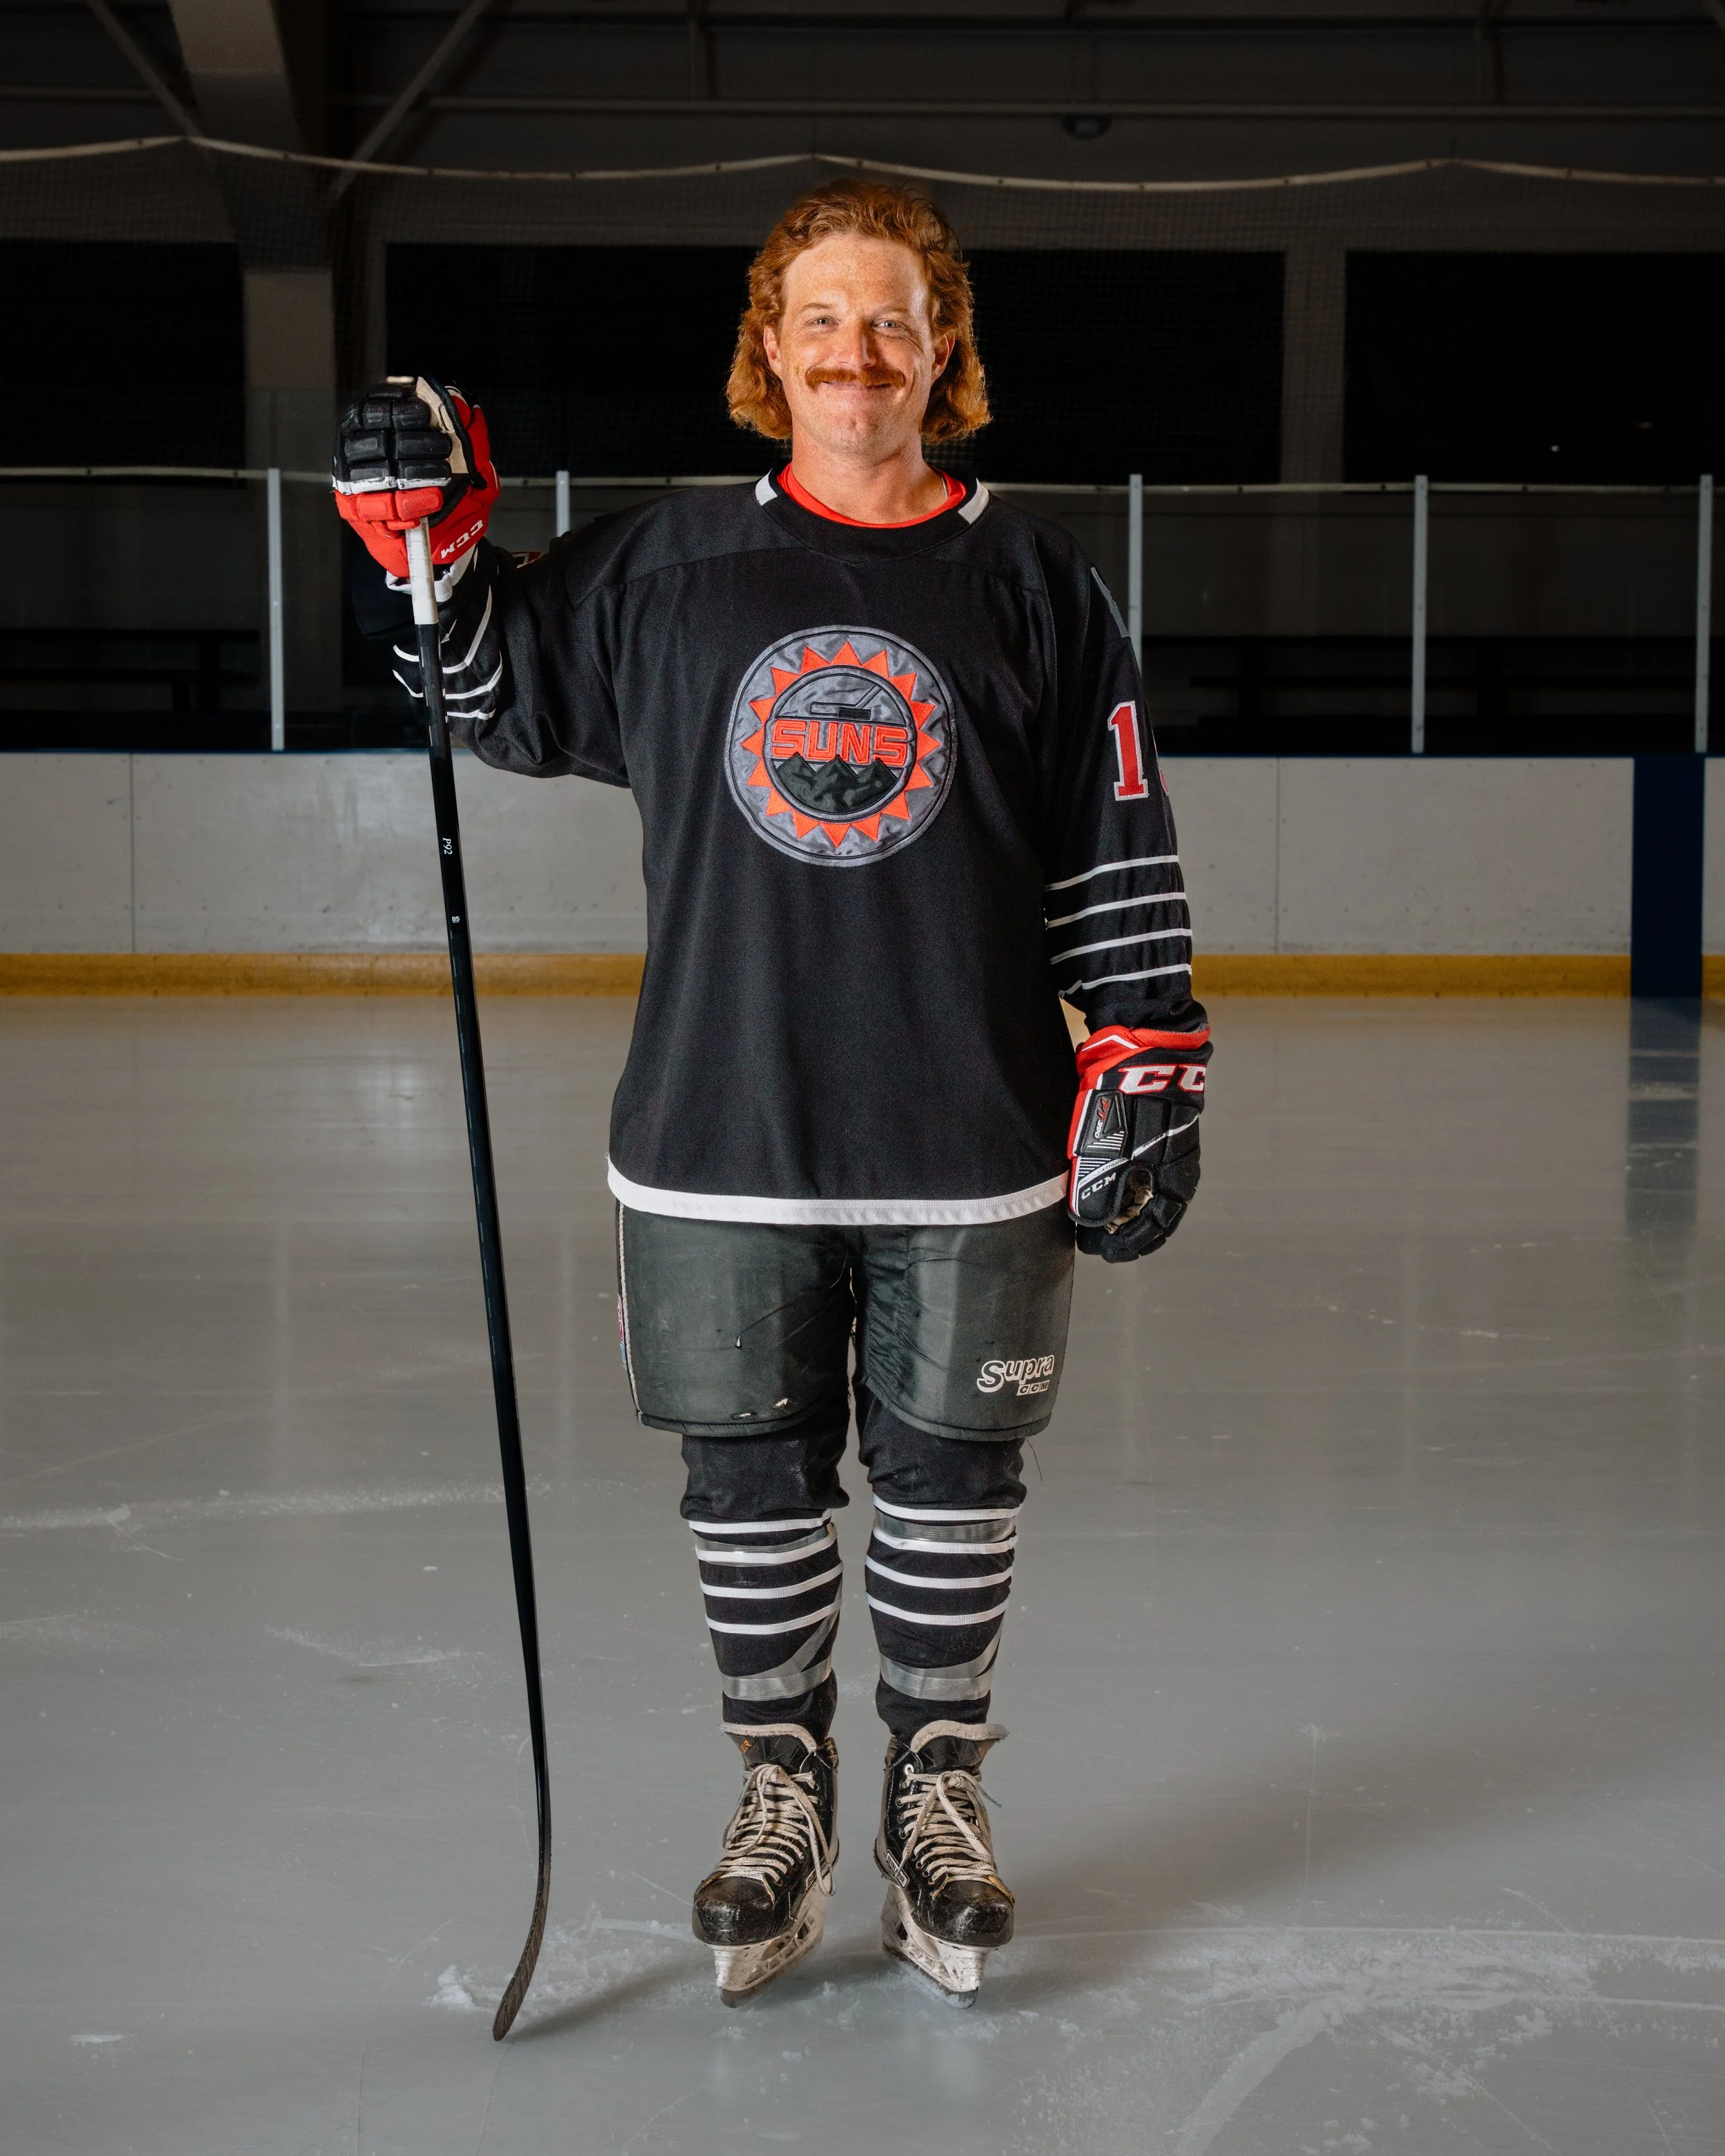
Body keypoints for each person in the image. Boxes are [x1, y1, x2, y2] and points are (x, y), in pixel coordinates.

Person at [333, 177, 1210, 2008]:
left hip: (969, 1130)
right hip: (719, 1123)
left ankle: (936, 1786)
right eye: (819, 318)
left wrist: (1144, 1040)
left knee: (953, 1474)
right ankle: (782, 1789)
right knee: (746, 1478)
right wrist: (421, 535)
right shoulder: (669, 566)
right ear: (770, 350)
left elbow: (1110, 827)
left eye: (891, 319)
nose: (854, 350)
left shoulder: (1034, 581)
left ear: (943, 350)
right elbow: (486, 691)